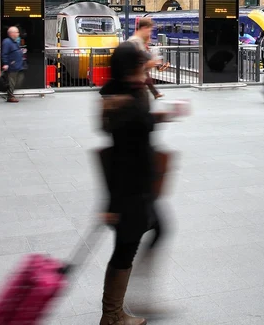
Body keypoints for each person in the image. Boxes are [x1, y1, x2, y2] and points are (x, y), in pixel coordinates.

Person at [98, 42, 180, 325]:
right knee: (125, 248)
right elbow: (124, 150)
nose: (145, 67)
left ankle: (119, 309)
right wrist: (112, 204)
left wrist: (165, 115)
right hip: (129, 191)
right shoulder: (126, 101)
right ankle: (112, 315)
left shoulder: (123, 94)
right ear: (129, 69)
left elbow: (140, 123)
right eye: (139, 64)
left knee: (155, 231)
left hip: (138, 188)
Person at [128, 17, 163, 100]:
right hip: (133, 87)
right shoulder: (135, 42)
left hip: (135, 87)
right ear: (144, 28)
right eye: (149, 30)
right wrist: (152, 63)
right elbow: (138, 64)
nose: (150, 33)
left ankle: (155, 93)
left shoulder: (136, 41)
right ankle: (155, 93)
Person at [1, 26, 25, 103]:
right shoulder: (7, 42)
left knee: (18, 80)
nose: (18, 34)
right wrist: (6, 63)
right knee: (12, 81)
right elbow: (4, 54)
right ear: (12, 33)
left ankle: (9, 94)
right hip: (12, 65)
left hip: (17, 65)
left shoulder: (14, 41)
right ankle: (10, 96)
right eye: (17, 32)